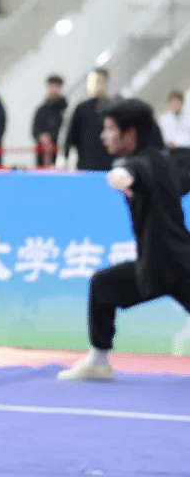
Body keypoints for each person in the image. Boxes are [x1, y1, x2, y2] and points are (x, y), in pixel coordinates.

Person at [57, 99, 190, 381]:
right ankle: (98, 361)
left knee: (103, 285)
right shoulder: (165, 161)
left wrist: (121, 175)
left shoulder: (144, 163)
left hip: (178, 263)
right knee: (102, 285)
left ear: (130, 134)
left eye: (110, 129)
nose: (103, 136)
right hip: (155, 265)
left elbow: (134, 172)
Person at [64, 68, 114, 171]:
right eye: (93, 82)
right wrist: (64, 159)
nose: (96, 85)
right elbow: (70, 136)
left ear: (106, 83)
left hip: (109, 165)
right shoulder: (81, 108)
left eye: (100, 81)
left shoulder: (113, 108)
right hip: (86, 165)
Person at [31, 74, 67, 168]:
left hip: (59, 153)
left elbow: (65, 129)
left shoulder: (65, 109)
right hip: (42, 155)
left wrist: (51, 137)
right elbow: (35, 130)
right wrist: (42, 136)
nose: (53, 89)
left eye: (56, 86)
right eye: (51, 86)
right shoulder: (41, 110)